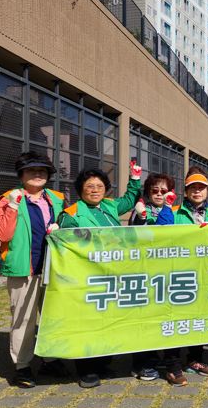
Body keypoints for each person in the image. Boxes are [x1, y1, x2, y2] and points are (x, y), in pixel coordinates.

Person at [57, 161, 143, 388]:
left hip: (113, 274)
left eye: (99, 186)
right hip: (87, 277)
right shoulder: (71, 214)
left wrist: (134, 180)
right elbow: (67, 246)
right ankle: (86, 369)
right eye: (89, 186)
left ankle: (103, 361)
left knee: (108, 320)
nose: (95, 190)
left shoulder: (110, 206)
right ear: (80, 189)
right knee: (87, 322)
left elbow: (129, 200)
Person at [0, 152, 67, 388]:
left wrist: (59, 228)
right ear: (21, 175)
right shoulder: (8, 198)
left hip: (52, 267)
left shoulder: (56, 199)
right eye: (32, 170)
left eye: (43, 171)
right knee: (23, 319)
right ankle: (22, 367)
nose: (38, 174)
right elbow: (1, 234)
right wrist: (13, 206)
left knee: (51, 315)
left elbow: (67, 228)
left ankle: (50, 358)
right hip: (23, 268)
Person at [128, 172, 183, 385]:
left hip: (168, 272)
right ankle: (143, 362)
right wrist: (144, 217)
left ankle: (168, 360)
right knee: (145, 317)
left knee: (167, 316)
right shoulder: (140, 211)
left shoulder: (174, 211)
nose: (160, 194)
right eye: (155, 190)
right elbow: (154, 233)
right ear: (148, 192)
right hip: (144, 272)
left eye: (164, 191)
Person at [169, 167, 208, 379]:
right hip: (179, 274)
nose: (197, 191)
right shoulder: (174, 212)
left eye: (201, 188)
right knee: (176, 318)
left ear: (207, 191)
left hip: (203, 275)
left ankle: (195, 359)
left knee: (199, 319)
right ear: (185, 192)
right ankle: (172, 364)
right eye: (192, 188)